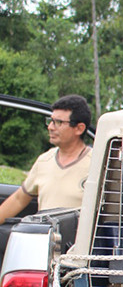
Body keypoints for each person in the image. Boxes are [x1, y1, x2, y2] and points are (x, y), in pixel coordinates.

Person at [0, 94, 93, 223]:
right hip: (43, 238)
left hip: (78, 242)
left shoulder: (96, 164)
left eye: (58, 122)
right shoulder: (44, 160)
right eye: (50, 121)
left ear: (79, 128)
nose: (50, 127)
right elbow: (19, 199)